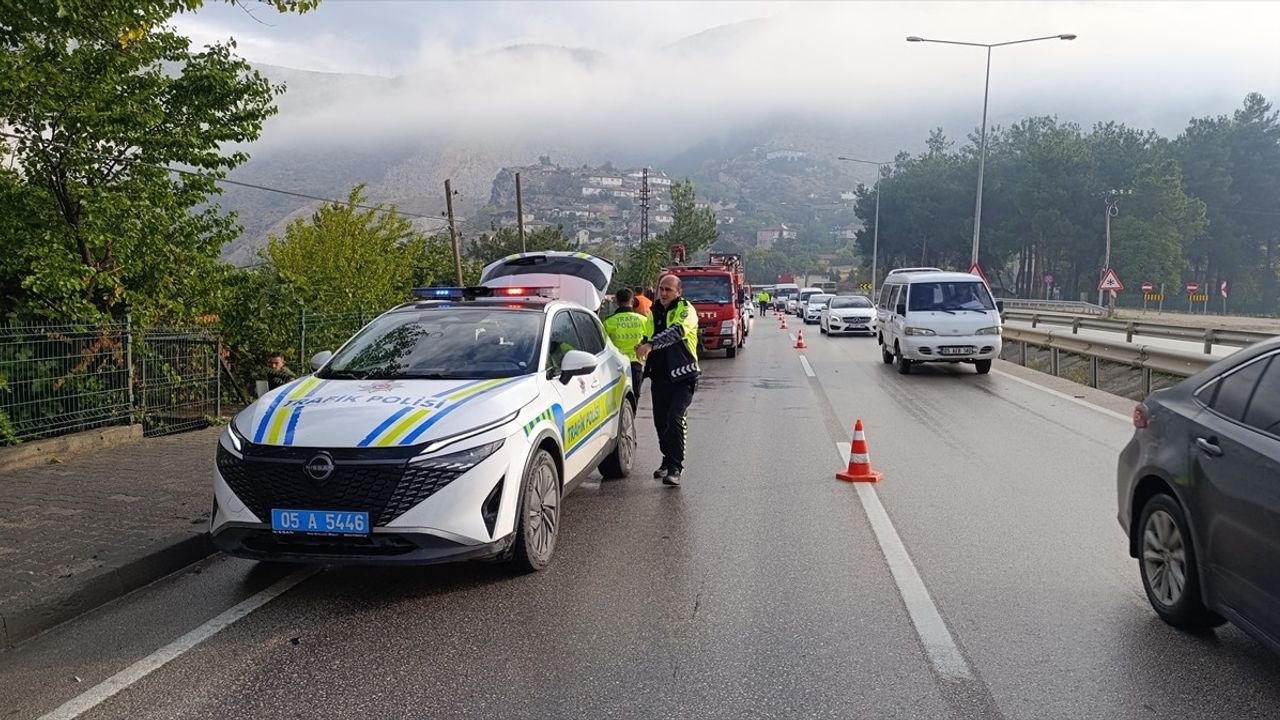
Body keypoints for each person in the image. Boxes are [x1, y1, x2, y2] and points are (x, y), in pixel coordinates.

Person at [635, 274, 699, 487]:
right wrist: (641, 346)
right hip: (660, 376)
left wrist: (651, 344)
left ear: (678, 292)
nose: (663, 293)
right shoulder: (653, 312)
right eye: (661, 288)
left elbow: (677, 332)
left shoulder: (686, 310)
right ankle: (666, 457)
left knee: (675, 418)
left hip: (683, 375)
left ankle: (675, 467)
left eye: (668, 290)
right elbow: (646, 336)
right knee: (660, 423)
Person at [603, 288, 646, 398]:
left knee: (618, 398)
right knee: (634, 396)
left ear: (617, 302)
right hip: (636, 363)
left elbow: (603, 345)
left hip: (616, 365)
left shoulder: (609, 322)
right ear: (632, 301)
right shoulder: (643, 320)